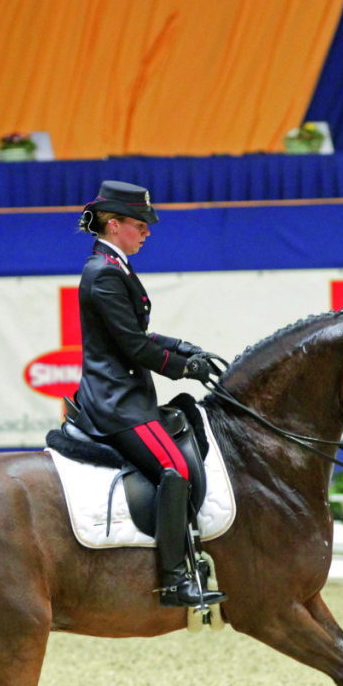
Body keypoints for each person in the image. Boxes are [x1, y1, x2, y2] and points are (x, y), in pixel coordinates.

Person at [72, 181, 227, 609]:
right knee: (174, 468)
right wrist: (184, 370)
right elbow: (133, 348)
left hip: (127, 392)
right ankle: (175, 579)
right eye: (140, 224)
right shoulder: (102, 272)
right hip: (116, 401)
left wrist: (184, 346)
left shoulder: (114, 266)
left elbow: (138, 334)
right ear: (114, 223)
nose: (147, 232)